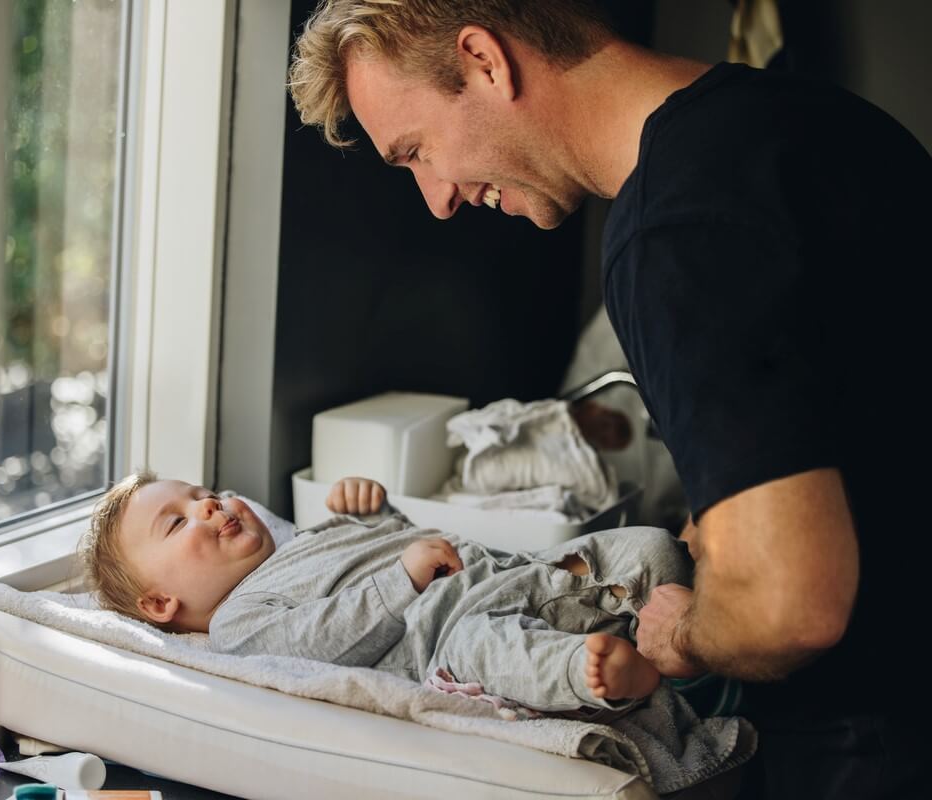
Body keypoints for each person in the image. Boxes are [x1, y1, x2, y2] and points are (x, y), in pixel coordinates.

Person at [287, 1, 930, 796]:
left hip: (885, 732)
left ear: (485, 60)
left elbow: (786, 607)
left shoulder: (672, 234)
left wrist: (688, 634)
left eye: (416, 151)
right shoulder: (811, 119)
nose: (437, 200)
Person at [84, 471, 693, 715]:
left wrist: (375, 512)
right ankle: (595, 675)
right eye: (177, 520)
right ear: (161, 604)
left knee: (650, 548)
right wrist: (399, 577)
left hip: (514, 573)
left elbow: (410, 541)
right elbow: (319, 645)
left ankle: (674, 641)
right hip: (448, 636)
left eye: (202, 492)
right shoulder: (237, 624)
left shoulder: (304, 541)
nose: (208, 504)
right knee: (496, 650)